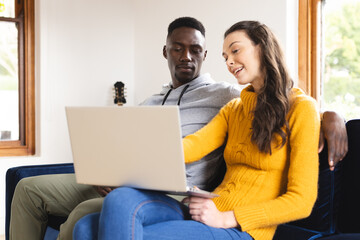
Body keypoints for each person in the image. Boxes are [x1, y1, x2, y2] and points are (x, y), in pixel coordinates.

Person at [9, 17, 346, 240]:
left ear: (262, 48)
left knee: (94, 225)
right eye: (226, 54)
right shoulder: (235, 108)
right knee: (92, 221)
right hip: (204, 204)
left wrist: (229, 218)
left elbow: (301, 202)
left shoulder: (301, 108)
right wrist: (119, 164)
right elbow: (186, 147)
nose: (229, 61)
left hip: (242, 227)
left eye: (236, 50)